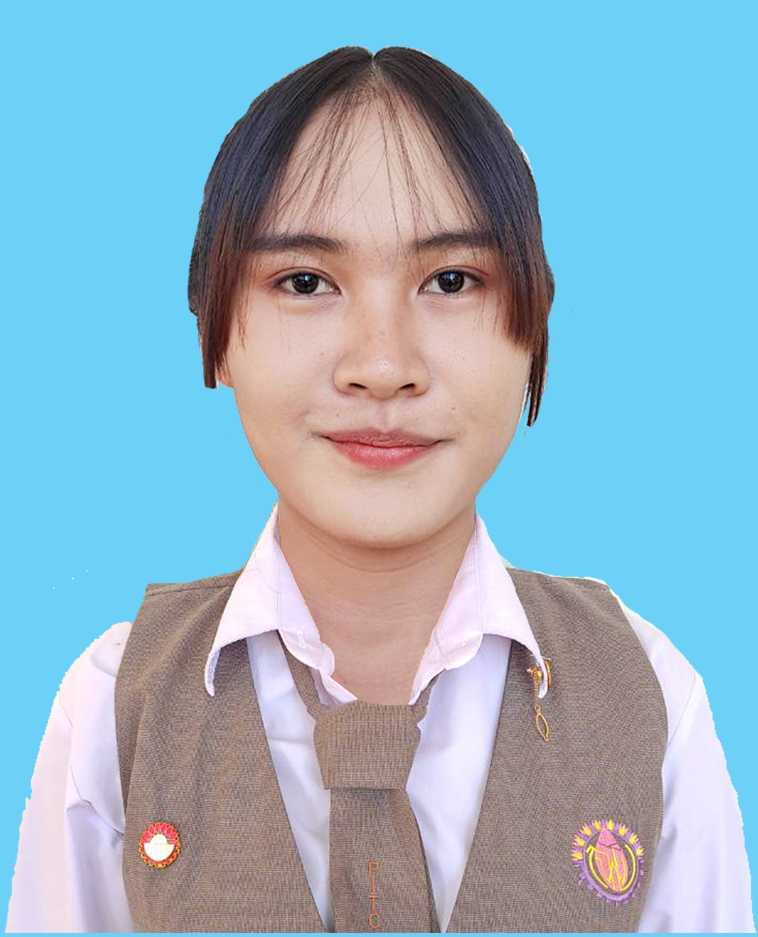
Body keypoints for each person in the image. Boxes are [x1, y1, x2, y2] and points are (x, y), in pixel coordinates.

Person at [5, 45, 754, 933]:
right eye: (305, 281)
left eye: (451, 280)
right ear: (214, 326)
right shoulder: (111, 707)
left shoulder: (648, 693)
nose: (383, 364)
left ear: (534, 327)